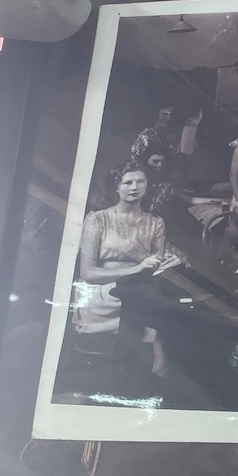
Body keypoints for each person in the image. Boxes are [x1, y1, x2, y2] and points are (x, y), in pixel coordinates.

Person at [73, 160, 181, 377]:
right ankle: (154, 344)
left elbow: (156, 265)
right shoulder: (98, 219)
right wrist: (137, 269)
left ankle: (146, 364)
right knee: (149, 297)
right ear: (116, 186)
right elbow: (87, 273)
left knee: (167, 292)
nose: (134, 187)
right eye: (127, 182)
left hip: (142, 288)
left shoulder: (156, 222)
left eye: (140, 181)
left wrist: (168, 263)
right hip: (104, 291)